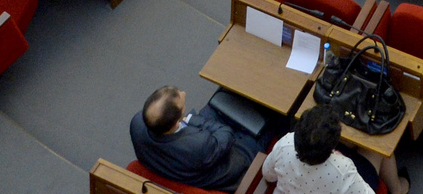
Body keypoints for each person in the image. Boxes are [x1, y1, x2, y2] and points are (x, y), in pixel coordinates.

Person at [132, 85, 261, 194]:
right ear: (177, 122)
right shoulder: (199, 145)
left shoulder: (138, 123)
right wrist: (191, 119)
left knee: (224, 93)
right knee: (264, 122)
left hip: (189, 158)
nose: (184, 93)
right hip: (234, 164)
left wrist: (188, 120)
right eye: (182, 105)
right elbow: (225, 133)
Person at [262, 103, 407, 194]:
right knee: (376, 148)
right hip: (346, 180)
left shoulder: (286, 142)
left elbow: (268, 174)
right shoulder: (342, 168)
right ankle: (399, 189)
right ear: (333, 147)